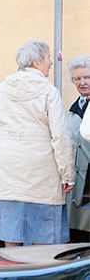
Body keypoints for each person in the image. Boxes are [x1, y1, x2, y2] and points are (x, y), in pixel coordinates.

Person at [0, 41, 75, 246]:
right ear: (36, 62)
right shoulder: (49, 91)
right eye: (47, 57)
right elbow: (60, 135)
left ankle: (14, 276)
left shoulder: (3, 89)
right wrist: (67, 173)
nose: (50, 62)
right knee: (42, 238)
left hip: (6, 170)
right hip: (41, 173)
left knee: (10, 238)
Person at [67, 55, 90, 241]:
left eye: (87, 77)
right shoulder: (74, 109)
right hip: (77, 185)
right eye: (77, 79)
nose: (82, 82)